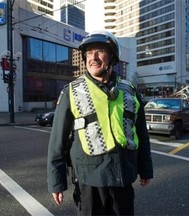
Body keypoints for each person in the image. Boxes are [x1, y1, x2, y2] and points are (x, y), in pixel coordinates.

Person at [47, 30, 153, 215]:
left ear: (112, 57)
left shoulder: (130, 90)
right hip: (90, 182)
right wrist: (56, 181)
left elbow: (141, 134)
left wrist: (145, 169)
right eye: (88, 53)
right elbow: (57, 142)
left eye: (99, 51)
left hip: (123, 179)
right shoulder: (71, 91)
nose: (93, 58)